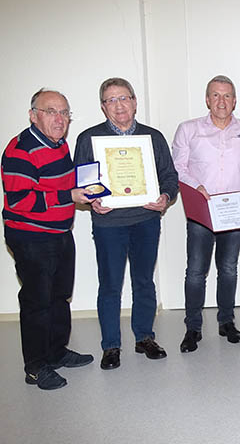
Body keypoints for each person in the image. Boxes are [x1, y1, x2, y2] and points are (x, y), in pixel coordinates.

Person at [74, 77, 179, 370]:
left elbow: (169, 176)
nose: (119, 105)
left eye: (124, 98)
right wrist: (91, 200)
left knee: (144, 281)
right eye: (111, 100)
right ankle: (111, 346)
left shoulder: (152, 137)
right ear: (103, 107)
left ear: (134, 101)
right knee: (110, 285)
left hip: (146, 220)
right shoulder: (89, 139)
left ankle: (145, 337)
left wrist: (165, 197)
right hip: (109, 224)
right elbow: (83, 183)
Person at [2, 89, 95, 390]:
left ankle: (55, 352)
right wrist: (68, 196)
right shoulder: (21, 150)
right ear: (33, 115)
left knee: (59, 298)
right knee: (36, 303)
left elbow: (66, 184)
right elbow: (19, 200)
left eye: (65, 112)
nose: (60, 118)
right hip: (31, 237)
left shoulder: (59, 144)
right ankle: (36, 367)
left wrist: (92, 191)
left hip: (58, 233)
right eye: (51, 111)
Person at [172, 75, 240, 352]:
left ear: (235, 100)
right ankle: (193, 327)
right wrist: (197, 187)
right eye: (215, 95)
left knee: (228, 269)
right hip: (201, 209)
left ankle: (227, 322)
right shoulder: (188, 129)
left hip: (233, 211)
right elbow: (178, 167)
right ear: (207, 99)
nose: (221, 101)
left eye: (227, 96)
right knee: (195, 272)